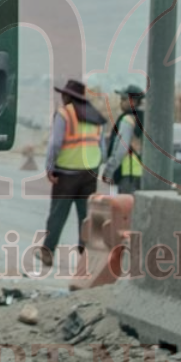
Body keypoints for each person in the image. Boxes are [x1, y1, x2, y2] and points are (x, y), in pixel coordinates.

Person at [39, 78, 105, 269]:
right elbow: (102, 145)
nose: (62, 97)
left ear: (67, 96)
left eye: (63, 94)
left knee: (58, 214)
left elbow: (55, 144)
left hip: (67, 173)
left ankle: (47, 252)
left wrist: (50, 167)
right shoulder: (95, 115)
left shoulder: (64, 114)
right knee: (86, 216)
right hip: (90, 172)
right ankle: (86, 255)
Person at [100, 85, 145, 195]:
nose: (121, 102)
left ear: (134, 101)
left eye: (124, 99)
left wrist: (108, 171)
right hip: (145, 173)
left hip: (128, 172)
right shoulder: (146, 118)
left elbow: (120, 149)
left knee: (127, 209)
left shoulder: (127, 119)